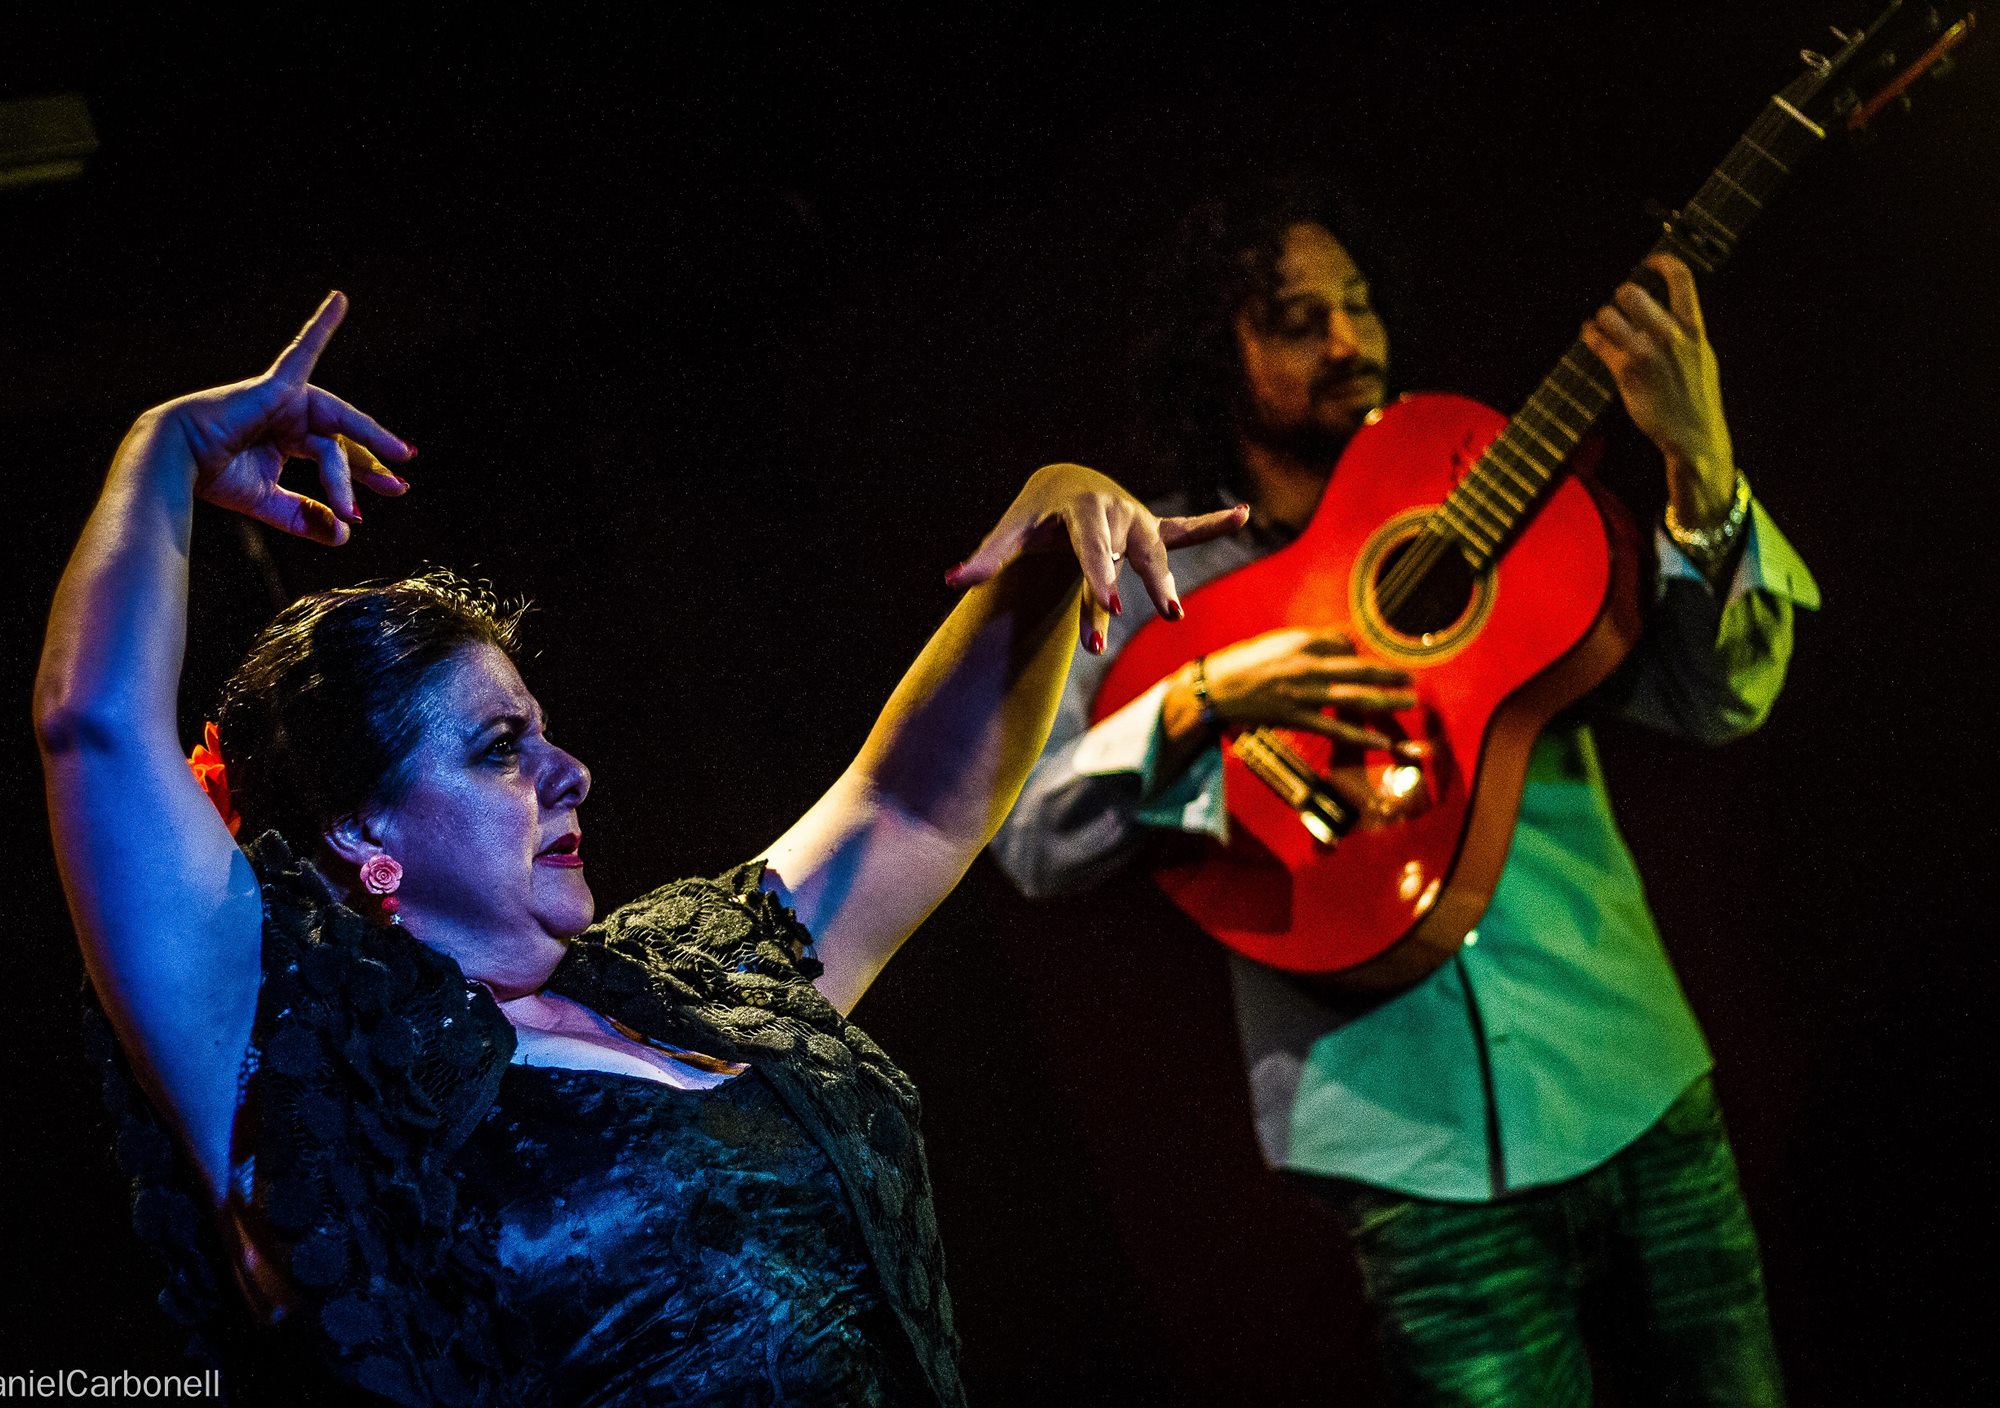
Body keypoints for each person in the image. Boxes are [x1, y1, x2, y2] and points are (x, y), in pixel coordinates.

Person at [35, 290, 1246, 1406]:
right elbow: (91, 729)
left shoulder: (685, 979)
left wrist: (1046, 536)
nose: (572, 774)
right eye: (501, 747)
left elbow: (911, 810)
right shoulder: (304, 1073)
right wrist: (168, 452)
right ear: (361, 826)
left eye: (544, 733)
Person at [990, 174, 1819, 1404]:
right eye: (1293, 319)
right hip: (1405, 1153)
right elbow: (1030, 843)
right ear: (1210, 360)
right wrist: (1195, 702)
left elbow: (1719, 699)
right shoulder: (1145, 573)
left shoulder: (1480, 484)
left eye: (1359, 306)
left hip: (1632, 1078)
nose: (1346, 342)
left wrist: (1701, 470)